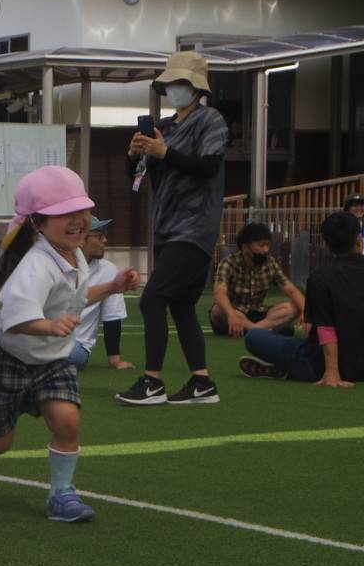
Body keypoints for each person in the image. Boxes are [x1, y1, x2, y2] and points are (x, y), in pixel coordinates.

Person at [0, 167, 138, 523]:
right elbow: (14, 319)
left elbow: (75, 298)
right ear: (38, 223)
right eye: (65, 214)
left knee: (67, 420)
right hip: (5, 362)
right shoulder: (37, 264)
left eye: (82, 211)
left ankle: (61, 494)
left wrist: (113, 287)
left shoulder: (74, 255)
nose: (78, 221)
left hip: (51, 361)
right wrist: (50, 326)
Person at [118, 51, 228, 407]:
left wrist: (164, 152)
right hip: (167, 227)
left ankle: (153, 381)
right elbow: (140, 176)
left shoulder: (211, 120)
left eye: (181, 82)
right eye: (171, 83)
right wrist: (135, 155)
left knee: (152, 299)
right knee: (181, 305)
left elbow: (208, 166)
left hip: (194, 226)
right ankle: (201, 381)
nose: (174, 89)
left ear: (196, 87)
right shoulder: (165, 127)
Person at [239, 211, 364, 386]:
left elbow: (325, 328)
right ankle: (287, 370)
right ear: (359, 240)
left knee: (255, 336)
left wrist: (332, 372)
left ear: (328, 245)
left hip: (319, 366)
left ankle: (290, 369)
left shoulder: (320, 277)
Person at [209, 222, 302, 338]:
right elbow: (219, 293)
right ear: (245, 247)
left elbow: (292, 291)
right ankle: (262, 331)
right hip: (235, 313)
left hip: (260, 314)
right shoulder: (228, 263)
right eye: (262, 245)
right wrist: (231, 313)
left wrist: (306, 312)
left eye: (268, 245)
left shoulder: (270, 263)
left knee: (295, 307)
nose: (266, 250)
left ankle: (253, 330)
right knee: (217, 310)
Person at [69, 216, 133, 370]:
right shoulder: (57, 265)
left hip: (77, 346)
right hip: (49, 337)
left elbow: (112, 317)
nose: (105, 240)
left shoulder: (108, 270)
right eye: (99, 236)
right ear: (81, 239)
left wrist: (115, 360)